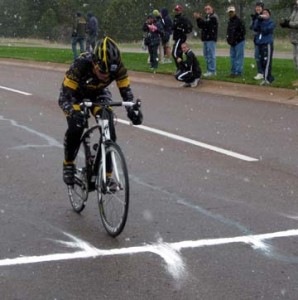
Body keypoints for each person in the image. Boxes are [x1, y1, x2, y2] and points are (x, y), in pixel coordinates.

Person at [58, 37, 143, 186]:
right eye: (102, 70)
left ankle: (106, 176)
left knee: (108, 124)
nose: (106, 75)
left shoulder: (118, 67)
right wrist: (74, 111)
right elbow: (66, 95)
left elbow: (126, 93)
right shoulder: (81, 64)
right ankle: (68, 162)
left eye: (110, 73)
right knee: (77, 125)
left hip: (98, 93)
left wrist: (132, 110)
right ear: (94, 62)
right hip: (74, 95)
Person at [194, 4, 218, 77]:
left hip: (211, 39)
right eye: (206, 9)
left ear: (212, 9)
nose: (207, 10)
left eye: (208, 9)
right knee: (206, 55)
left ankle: (212, 71)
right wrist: (198, 19)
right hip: (206, 39)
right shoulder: (207, 17)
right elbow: (201, 25)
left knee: (211, 55)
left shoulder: (214, 17)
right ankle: (209, 70)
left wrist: (199, 18)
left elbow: (207, 25)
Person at [253, 8, 275, 85]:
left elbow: (266, 30)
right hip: (260, 43)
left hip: (267, 43)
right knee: (262, 61)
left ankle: (266, 78)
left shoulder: (271, 22)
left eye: (266, 13)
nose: (265, 14)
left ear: (269, 15)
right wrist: (258, 20)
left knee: (267, 61)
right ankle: (268, 77)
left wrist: (262, 25)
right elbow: (255, 28)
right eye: (263, 13)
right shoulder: (259, 21)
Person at [172, 4, 193, 72]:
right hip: (177, 37)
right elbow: (173, 27)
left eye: (178, 10)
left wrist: (184, 30)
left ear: (181, 10)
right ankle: (181, 68)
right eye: (176, 10)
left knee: (174, 53)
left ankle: (180, 67)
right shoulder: (176, 18)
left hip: (180, 37)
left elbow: (190, 26)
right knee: (179, 53)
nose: (177, 11)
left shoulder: (183, 18)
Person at [226, 6, 246, 77]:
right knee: (233, 58)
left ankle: (238, 72)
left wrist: (235, 39)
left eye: (232, 12)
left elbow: (243, 32)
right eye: (229, 12)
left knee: (239, 57)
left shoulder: (239, 21)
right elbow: (228, 32)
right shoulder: (230, 21)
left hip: (239, 42)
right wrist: (228, 39)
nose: (231, 13)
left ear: (235, 12)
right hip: (233, 43)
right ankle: (233, 72)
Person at [280, 1, 298, 72]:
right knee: (294, 56)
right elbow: (291, 19)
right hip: (294, 37)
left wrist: (289, 24)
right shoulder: (295, 10)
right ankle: (296, 71)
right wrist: (285, 23)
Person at [250, 2, 265, 80]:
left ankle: (263, 72)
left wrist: (259, 19)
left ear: (262, 8)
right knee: (257, 56)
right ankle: (260, 72)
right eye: (256, 7)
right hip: (256, 39)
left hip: (263, 39)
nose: (258, 8)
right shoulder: (255, 17)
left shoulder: (264, 16)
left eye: (259, 7)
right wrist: (254, 20)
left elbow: (263, 27)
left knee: (262, 56)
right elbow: (252, 27)